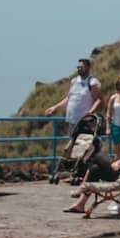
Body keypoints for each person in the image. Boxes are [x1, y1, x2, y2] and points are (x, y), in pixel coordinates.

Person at [44, 56, 101, 184]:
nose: (79, 69)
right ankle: (70, 171)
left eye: (81, 67)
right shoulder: (74, 81)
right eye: (78, 67)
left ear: (88, 67)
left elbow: (98, 99)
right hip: (72, 119)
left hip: (84, 121)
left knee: (82, 146)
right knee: (70, 148)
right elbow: (68, 98)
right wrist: (55, 107)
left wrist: (91, 111)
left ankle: (80, 171)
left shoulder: (92, 82)